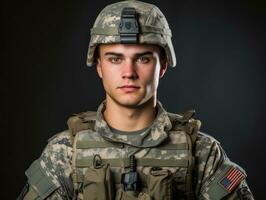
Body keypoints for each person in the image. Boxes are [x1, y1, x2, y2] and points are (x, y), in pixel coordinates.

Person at [18, 0, 254, 199]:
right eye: (115, 59)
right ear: (99, 67)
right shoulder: (65, 151)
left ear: (162, 67)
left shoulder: (202, 152)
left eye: (142, 59)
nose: (128, 72)